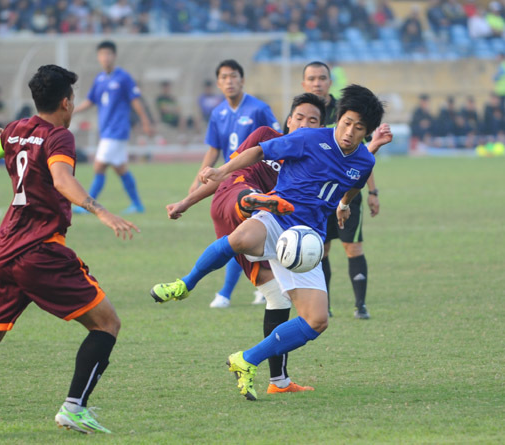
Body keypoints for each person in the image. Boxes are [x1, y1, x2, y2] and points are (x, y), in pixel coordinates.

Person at [0, 64, 139, 438]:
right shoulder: (59, 137)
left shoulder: (16, 129)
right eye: (73, 100)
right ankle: (74, 409)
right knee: (107, 324)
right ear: (66, 102)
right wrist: (100, 210)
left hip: (6, 250)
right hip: (41, 250)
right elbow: (63, 179)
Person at [150, 84, 389, 401]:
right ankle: (185, 283)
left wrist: (344, 205)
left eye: (359, 128)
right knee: (240, 238)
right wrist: (221, 171)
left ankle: (246, 360)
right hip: (278, 218)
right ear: (338, 118)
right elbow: (261, 151)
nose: (349, 132)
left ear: (367, 131)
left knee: (317, 320)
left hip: (306, 242)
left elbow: (353, 184)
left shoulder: (363, 161)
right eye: (346, 122)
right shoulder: (308, 138)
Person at [158, 93, 327, 394]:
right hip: (235, 199)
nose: (303, 124)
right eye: (299, 118)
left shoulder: (313, 159)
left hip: (267, 228)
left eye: (312, 121)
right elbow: (227, 170)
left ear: (320, 127)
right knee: (248, 198)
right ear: (288, 121)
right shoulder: (266, 138)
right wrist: (186, 202)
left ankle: (278, 382)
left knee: (278, 296)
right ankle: (188, 281)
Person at [191, 59, 281, 309]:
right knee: (239, 237)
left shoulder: (259, 109)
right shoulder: (218, 113)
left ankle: (226, 293)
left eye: (234, 76)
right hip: (228, 181)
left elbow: (276, 141)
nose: (229, 81)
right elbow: (213, 149)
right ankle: (260, 287)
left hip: (256, 181)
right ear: (218, 83)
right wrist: (197, 181)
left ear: (242, 80)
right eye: (224, 77)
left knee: (238, 237)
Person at [301, 61, 380, 319]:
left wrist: (372, 192)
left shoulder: (348, 111)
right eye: (311, 78)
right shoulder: (301, 113)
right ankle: (326, 305)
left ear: (329, 81)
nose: (317, 83)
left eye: (322, 78)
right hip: (316, 196)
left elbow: (364, 157)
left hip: (347, 194)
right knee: (319, 250)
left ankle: (360, 305)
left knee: (352, 247)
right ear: (304, 83)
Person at [73, 40, 153, 214]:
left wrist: (145, 121)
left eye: (109, 54)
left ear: (114, 56)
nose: (105, 57)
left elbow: (136, 101)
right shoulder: (100, 79)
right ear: (98, 57)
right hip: (106, 130)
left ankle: (88, 205)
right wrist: (73, 111)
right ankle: (137, 204)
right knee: (120, 168)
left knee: (99, 166)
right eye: (102, 54)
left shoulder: (123, 77)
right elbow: (90, 101)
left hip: (117, 130)